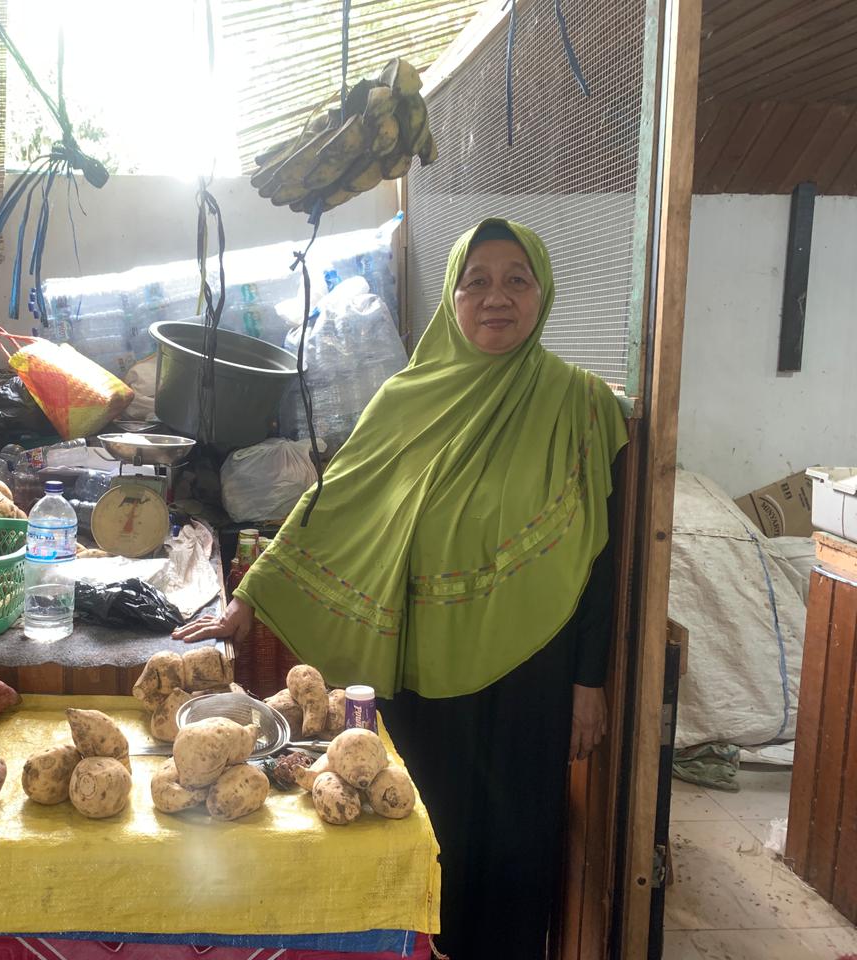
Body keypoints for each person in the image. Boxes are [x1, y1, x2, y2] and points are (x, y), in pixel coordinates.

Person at [175, 219, 628, 958]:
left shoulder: (577, 404)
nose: (496, 297)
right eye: (475, 280)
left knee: (517, 837)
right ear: (452, 298)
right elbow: (335, 505)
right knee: (425, 824)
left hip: (533, 669)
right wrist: (249, 597)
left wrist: (589, 681)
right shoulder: (405, 399)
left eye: (517, 278)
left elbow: (596, 555)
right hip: (422, 662)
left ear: (543, 294)